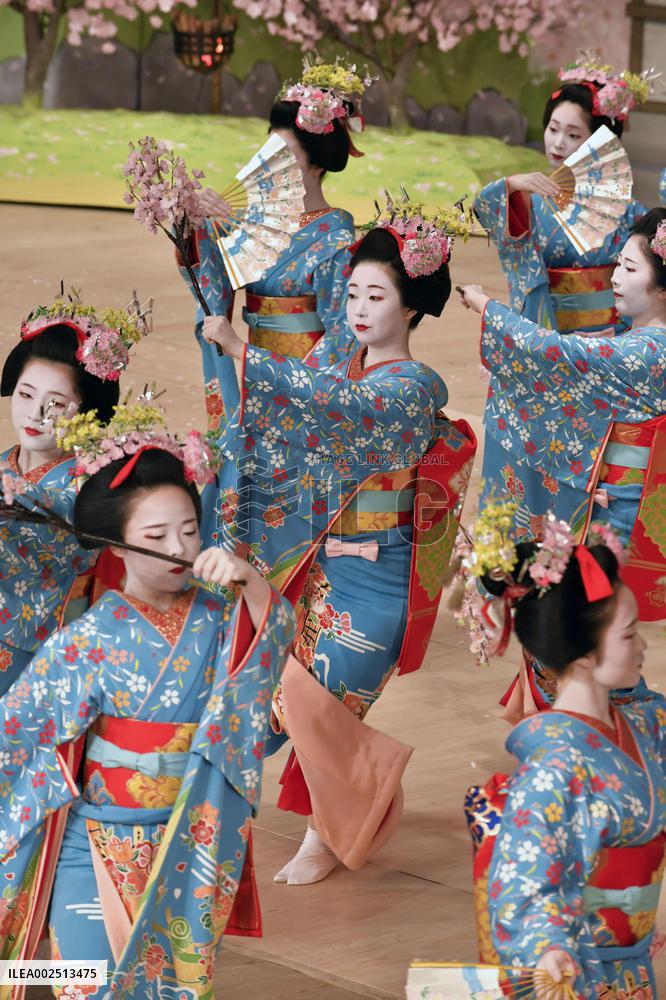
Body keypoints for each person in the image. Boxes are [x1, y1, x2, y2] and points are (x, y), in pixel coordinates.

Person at [202, 198, 477, 884]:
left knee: (321, 703)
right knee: (266, 699)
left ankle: (329, 832)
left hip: (377, 579)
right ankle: (233, 814)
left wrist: (247, 352)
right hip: (311, 560)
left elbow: (339, 413)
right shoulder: (330, 355)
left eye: (376, 295)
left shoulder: (414, 387)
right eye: (352, 292)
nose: (357, 308)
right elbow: (283, 421)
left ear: (411, 306)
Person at [0, 403, 295, 997]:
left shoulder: (220, 616)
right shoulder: (87, 638)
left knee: (167, 989)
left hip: (189, 836)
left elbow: (275, 642)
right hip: (95, 839)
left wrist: (253, 583)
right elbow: (17, 732)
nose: (180, 548)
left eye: (190, 530)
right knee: (84, 981)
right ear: (117, 544)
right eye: (157, 536)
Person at [459, 207, 666, 713]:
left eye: (631, 269)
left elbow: (563, 357)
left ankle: (633, 730)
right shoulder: (640, 343)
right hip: (611, 502)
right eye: (616, 264)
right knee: (567, 619)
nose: (614, 278)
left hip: (616, 514)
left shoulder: (649, 352)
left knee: (580, 627)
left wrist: (492, 313)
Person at [461, 510, 665, 998]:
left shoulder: (643, 723)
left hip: (631, 957)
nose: (641, 647)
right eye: (628, 633)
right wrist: (547, 947)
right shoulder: (553, 764)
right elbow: (522, 882)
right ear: (583, 653)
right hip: (576, 965)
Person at [177, 58, 368, 434]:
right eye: (269, 152)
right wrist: (196, 226)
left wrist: (289, 385)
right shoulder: (255, 224)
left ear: (316, 167)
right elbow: (211, 283)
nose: (270, 164)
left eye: (286, 156)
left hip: (301, 384)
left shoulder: (337, 241)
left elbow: (345, 335)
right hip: (253, 366)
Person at [0, 291, 147, 695]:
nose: (34, 415)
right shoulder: (4, 464)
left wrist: (18, 499)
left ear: (87, 413)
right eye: (26, 394)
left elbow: (57, 518)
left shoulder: (90, 482)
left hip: (37, 649)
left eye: (56, 403)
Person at [474, 53, 656, 335]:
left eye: (573, 135)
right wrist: (512, 185)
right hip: (546, 329)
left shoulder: (627, 211)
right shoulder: (527, 200)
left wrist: (625, 331)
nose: (557, 143)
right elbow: (485, 209)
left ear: (599, 143)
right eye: (553, 128)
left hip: (610, 336)